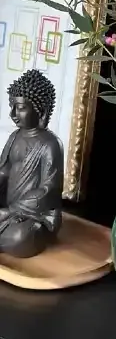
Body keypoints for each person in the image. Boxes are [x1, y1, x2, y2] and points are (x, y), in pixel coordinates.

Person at [0, 69, 63, 258]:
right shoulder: (14, 137)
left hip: (33, 215)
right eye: (12, 107)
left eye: (20, 108)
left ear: (40, 111)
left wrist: (12, 211)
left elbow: (48, 188)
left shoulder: (50, 144)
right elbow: (3, 172)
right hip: (7, 211)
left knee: (21, 237)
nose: (13, 114)